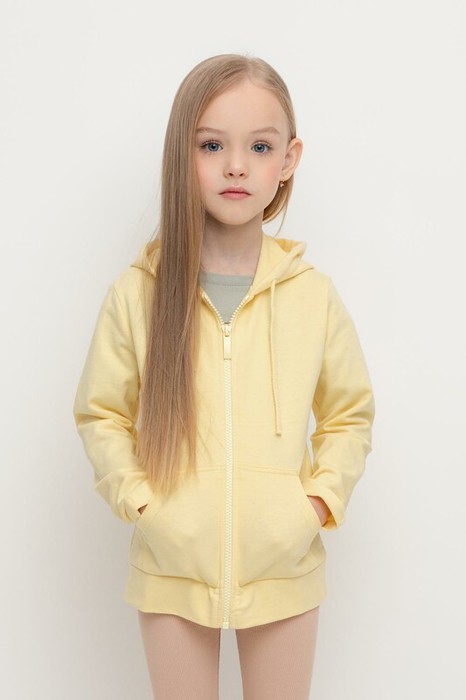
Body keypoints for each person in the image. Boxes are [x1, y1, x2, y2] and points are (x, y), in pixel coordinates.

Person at [73, 53, 375, 699]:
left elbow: (349, 415)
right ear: (181, 156)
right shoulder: (140, 293)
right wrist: (145, 504)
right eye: (212, 145)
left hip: (284, 569)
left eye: (259, 147)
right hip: (171, 569)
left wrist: (314, 505)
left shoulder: (312, 296)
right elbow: (101, 413)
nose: (236, 165)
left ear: (288, 159)